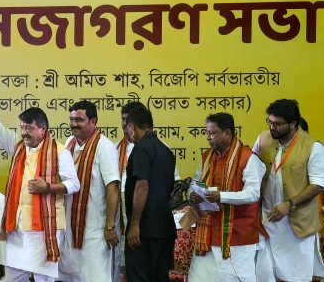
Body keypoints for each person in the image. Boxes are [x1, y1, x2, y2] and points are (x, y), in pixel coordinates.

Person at [0, 71, 79, 282]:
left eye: (29, 128)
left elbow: (74, 184)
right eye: (22, 127)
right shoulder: (19, 147)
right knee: (11, 278)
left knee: (43, 280)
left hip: (44, 231)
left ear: (43, 129)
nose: (24, 132)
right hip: (16, 228)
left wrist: (47, 187)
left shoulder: (60, 151)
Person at [185, 113, 265, 282]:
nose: (208, 138)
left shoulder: (248, 158)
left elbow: (253, 194)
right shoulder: (207, 157)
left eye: (212, 133)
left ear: (227, 134)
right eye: (207, 133)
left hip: (237, 236)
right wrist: (192, 195)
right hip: (208, 233)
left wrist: (220, 196)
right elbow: (195, 182)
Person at [254, 99, 324, 281]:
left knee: (296, 276)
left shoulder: (312, 146)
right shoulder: (262, 139)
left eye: (277, 124)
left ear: (293, 124)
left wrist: (290, 204)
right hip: (266, 220)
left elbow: (318, 184)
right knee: (265, 273)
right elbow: (251, 168)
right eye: (269, 121)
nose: (272, 127)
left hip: (297, 225)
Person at [59, 101, 120, 282]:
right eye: (71, 119)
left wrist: (109, 226)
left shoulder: (104, 146)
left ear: (92, 121)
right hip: (71, 228)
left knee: (95, 277)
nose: (73, 124)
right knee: (72, 277)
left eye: (79, 119)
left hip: (96, 231)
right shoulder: (70, 143)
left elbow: (113, 187)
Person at [123, 107, 176, 282]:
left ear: (132, 127)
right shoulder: (166, 151)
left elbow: (142, 185)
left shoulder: (140, 149)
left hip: (143, 231)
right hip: (165, 229)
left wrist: (134, 225)